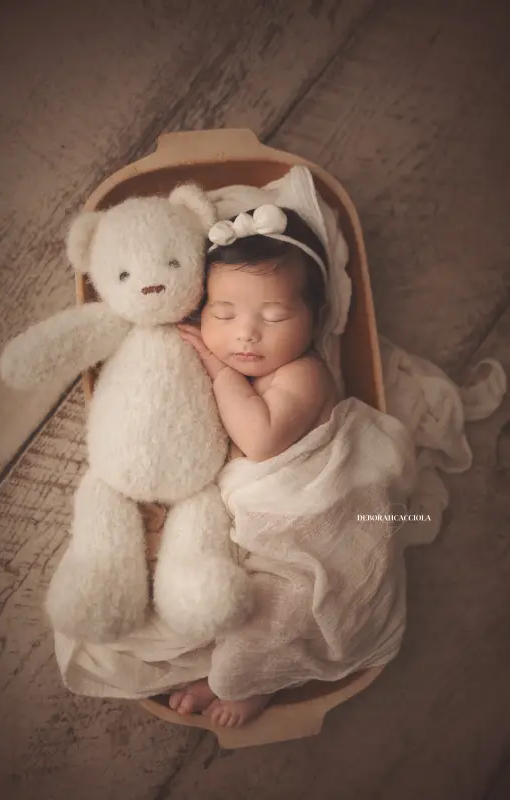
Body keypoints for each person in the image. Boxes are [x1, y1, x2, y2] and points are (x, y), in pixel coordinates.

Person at [165, 205, 337, 728]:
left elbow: (260, 440)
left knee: (275, 603)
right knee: (225, 596)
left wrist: (219, 372)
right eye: (222, 314)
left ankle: (253, 682)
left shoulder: (304, 375)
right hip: (250, 521)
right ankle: (223, 669)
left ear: (316, 319)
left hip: (307, 522)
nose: (246, 335)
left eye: (276, 316)